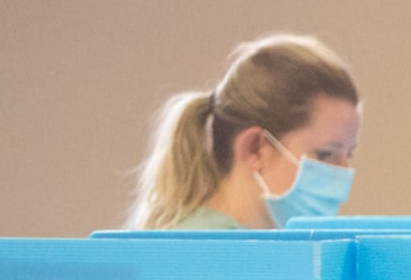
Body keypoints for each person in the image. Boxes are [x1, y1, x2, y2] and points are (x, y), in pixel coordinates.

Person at [127, 33, 360, 230]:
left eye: (348, 154)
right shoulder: (214, 257)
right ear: (255, 148)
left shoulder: (239, 249)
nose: (343, 175)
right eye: (326, 154)